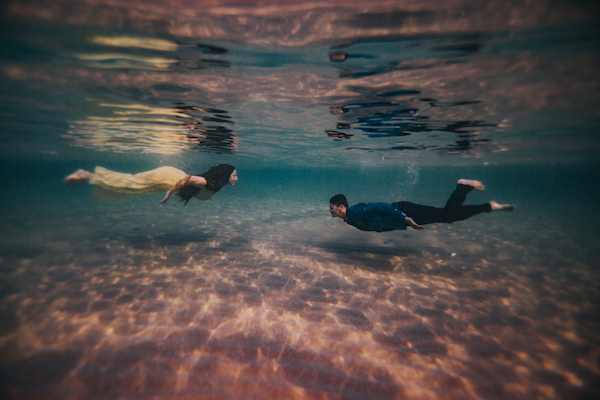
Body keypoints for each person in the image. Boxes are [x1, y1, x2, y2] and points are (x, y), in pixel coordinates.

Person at [329, 179, 515, 231]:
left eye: (331, 207)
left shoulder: (354, 212)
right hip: (403, 213)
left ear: (340, 206)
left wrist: (405, 217)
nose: (329, 210)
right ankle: (488, 206)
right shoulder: (349, 218)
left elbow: (379, 207)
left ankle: (462, 187)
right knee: (448, 217)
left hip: (406, 213)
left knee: (448, 216)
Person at [64, 164, 238, 205]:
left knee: (133, 186)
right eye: (234, 175)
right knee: (132, 184)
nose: (236, 178)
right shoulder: (207, 183)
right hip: (168, 178)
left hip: (170, 178)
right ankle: (86, 175)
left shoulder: (216, 183)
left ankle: (89, 177)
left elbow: (215, 168)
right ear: (225, 176)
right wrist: (169, 193)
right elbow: (186, 180)